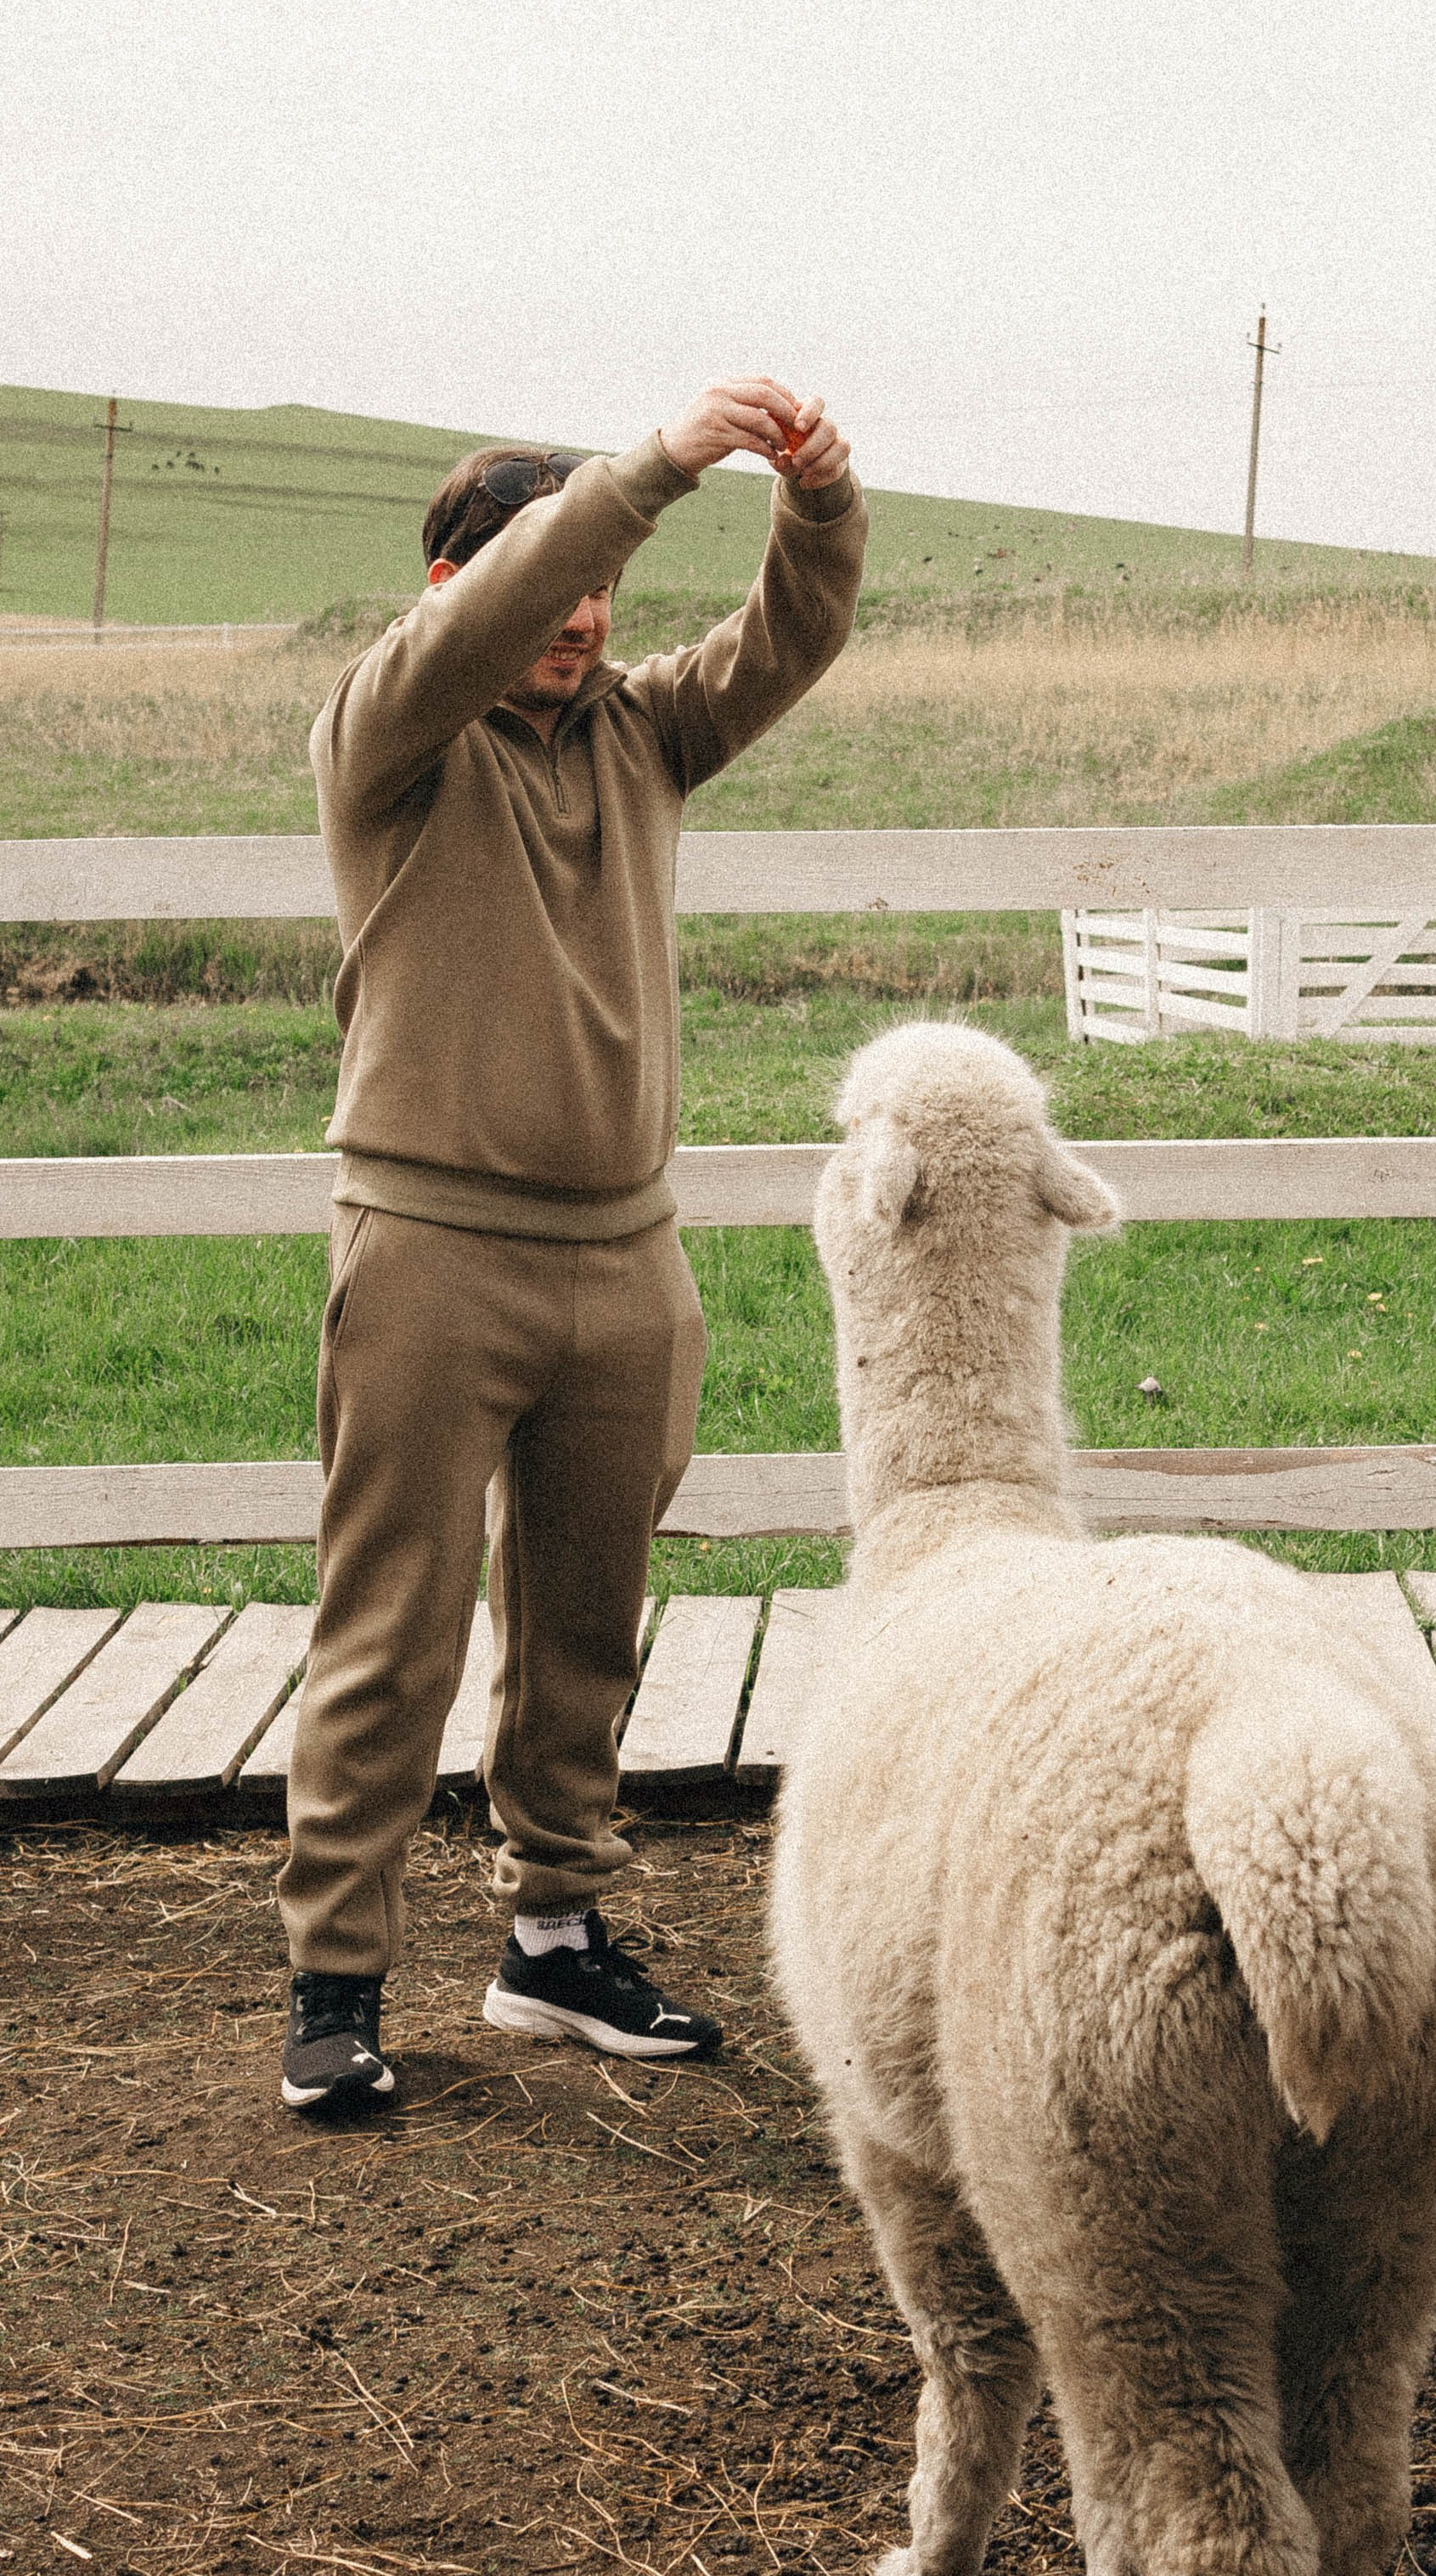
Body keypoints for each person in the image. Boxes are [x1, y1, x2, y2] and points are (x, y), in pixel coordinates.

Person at [276, 380, 865, 2110]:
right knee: (394, 1622)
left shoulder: (645, 731)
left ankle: (553, 1942)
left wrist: (815, 499)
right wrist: (657, 468)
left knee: (587, 1624)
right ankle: (335, 1979)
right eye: (549, 591)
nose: (582, 620)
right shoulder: (391, 732)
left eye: (598, 601)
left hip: (628, 1257)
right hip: (431, 1248)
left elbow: (794, 632)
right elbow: (516, 596)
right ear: (456, 587)